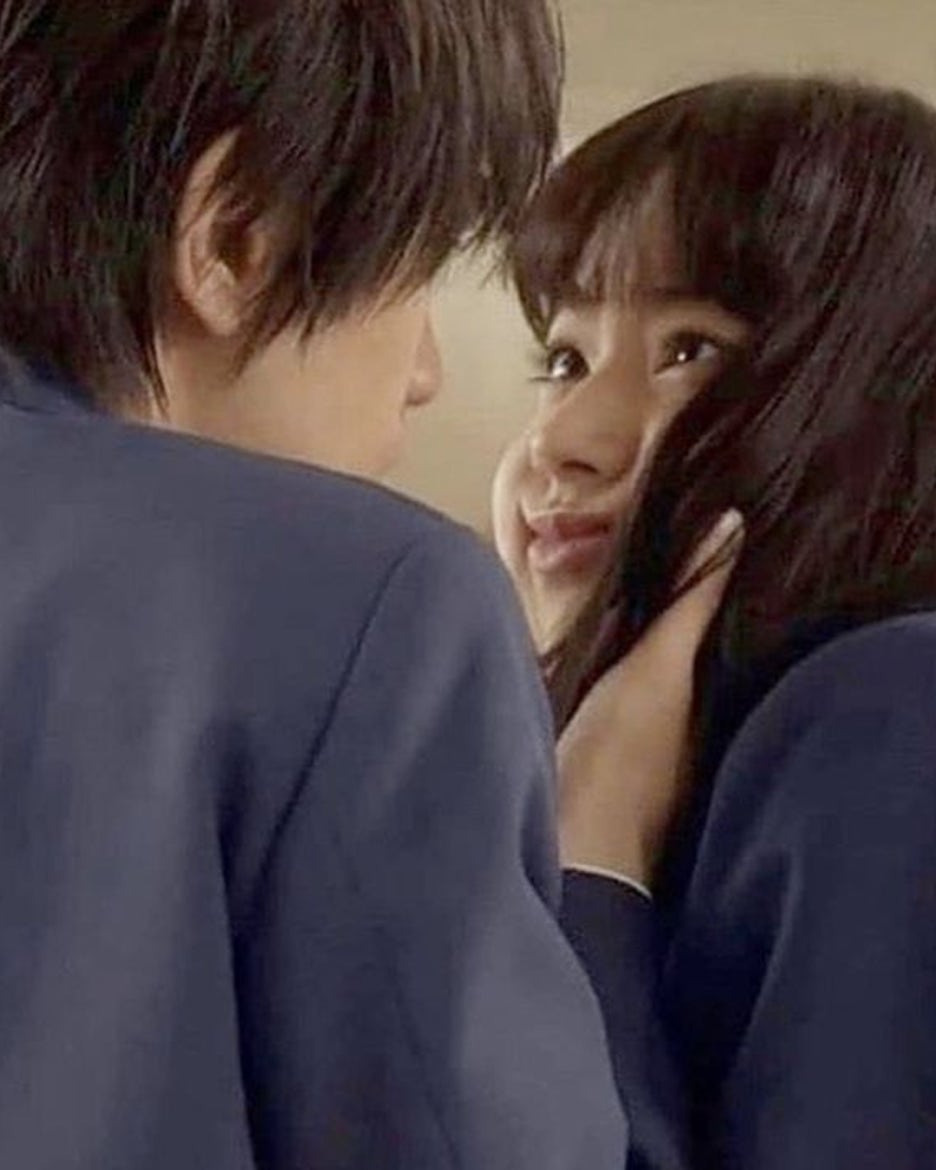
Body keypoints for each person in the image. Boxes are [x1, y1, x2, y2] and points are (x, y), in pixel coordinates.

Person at [0, 4, 734, 1167]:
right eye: (416, 272)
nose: (426, 372)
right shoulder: (374, 604)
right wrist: (595, 855)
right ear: (233, 240)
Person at [495, 75, 936, 1169]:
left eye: (690, 349)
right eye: (565, 359)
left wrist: (591, 859)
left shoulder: (893, 704)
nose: (564, 443)